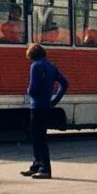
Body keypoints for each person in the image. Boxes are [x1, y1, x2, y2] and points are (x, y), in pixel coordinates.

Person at [21, 43, 68, 180]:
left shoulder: (35, 66)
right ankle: (36, 165)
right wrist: (54, 100)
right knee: (40, 136)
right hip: (46, 105)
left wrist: (29, 91)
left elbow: (33, 87)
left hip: (36, 106)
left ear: (32, 54)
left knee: (37, 137)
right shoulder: (51, 66)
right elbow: (64, 83)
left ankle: (45, 168)